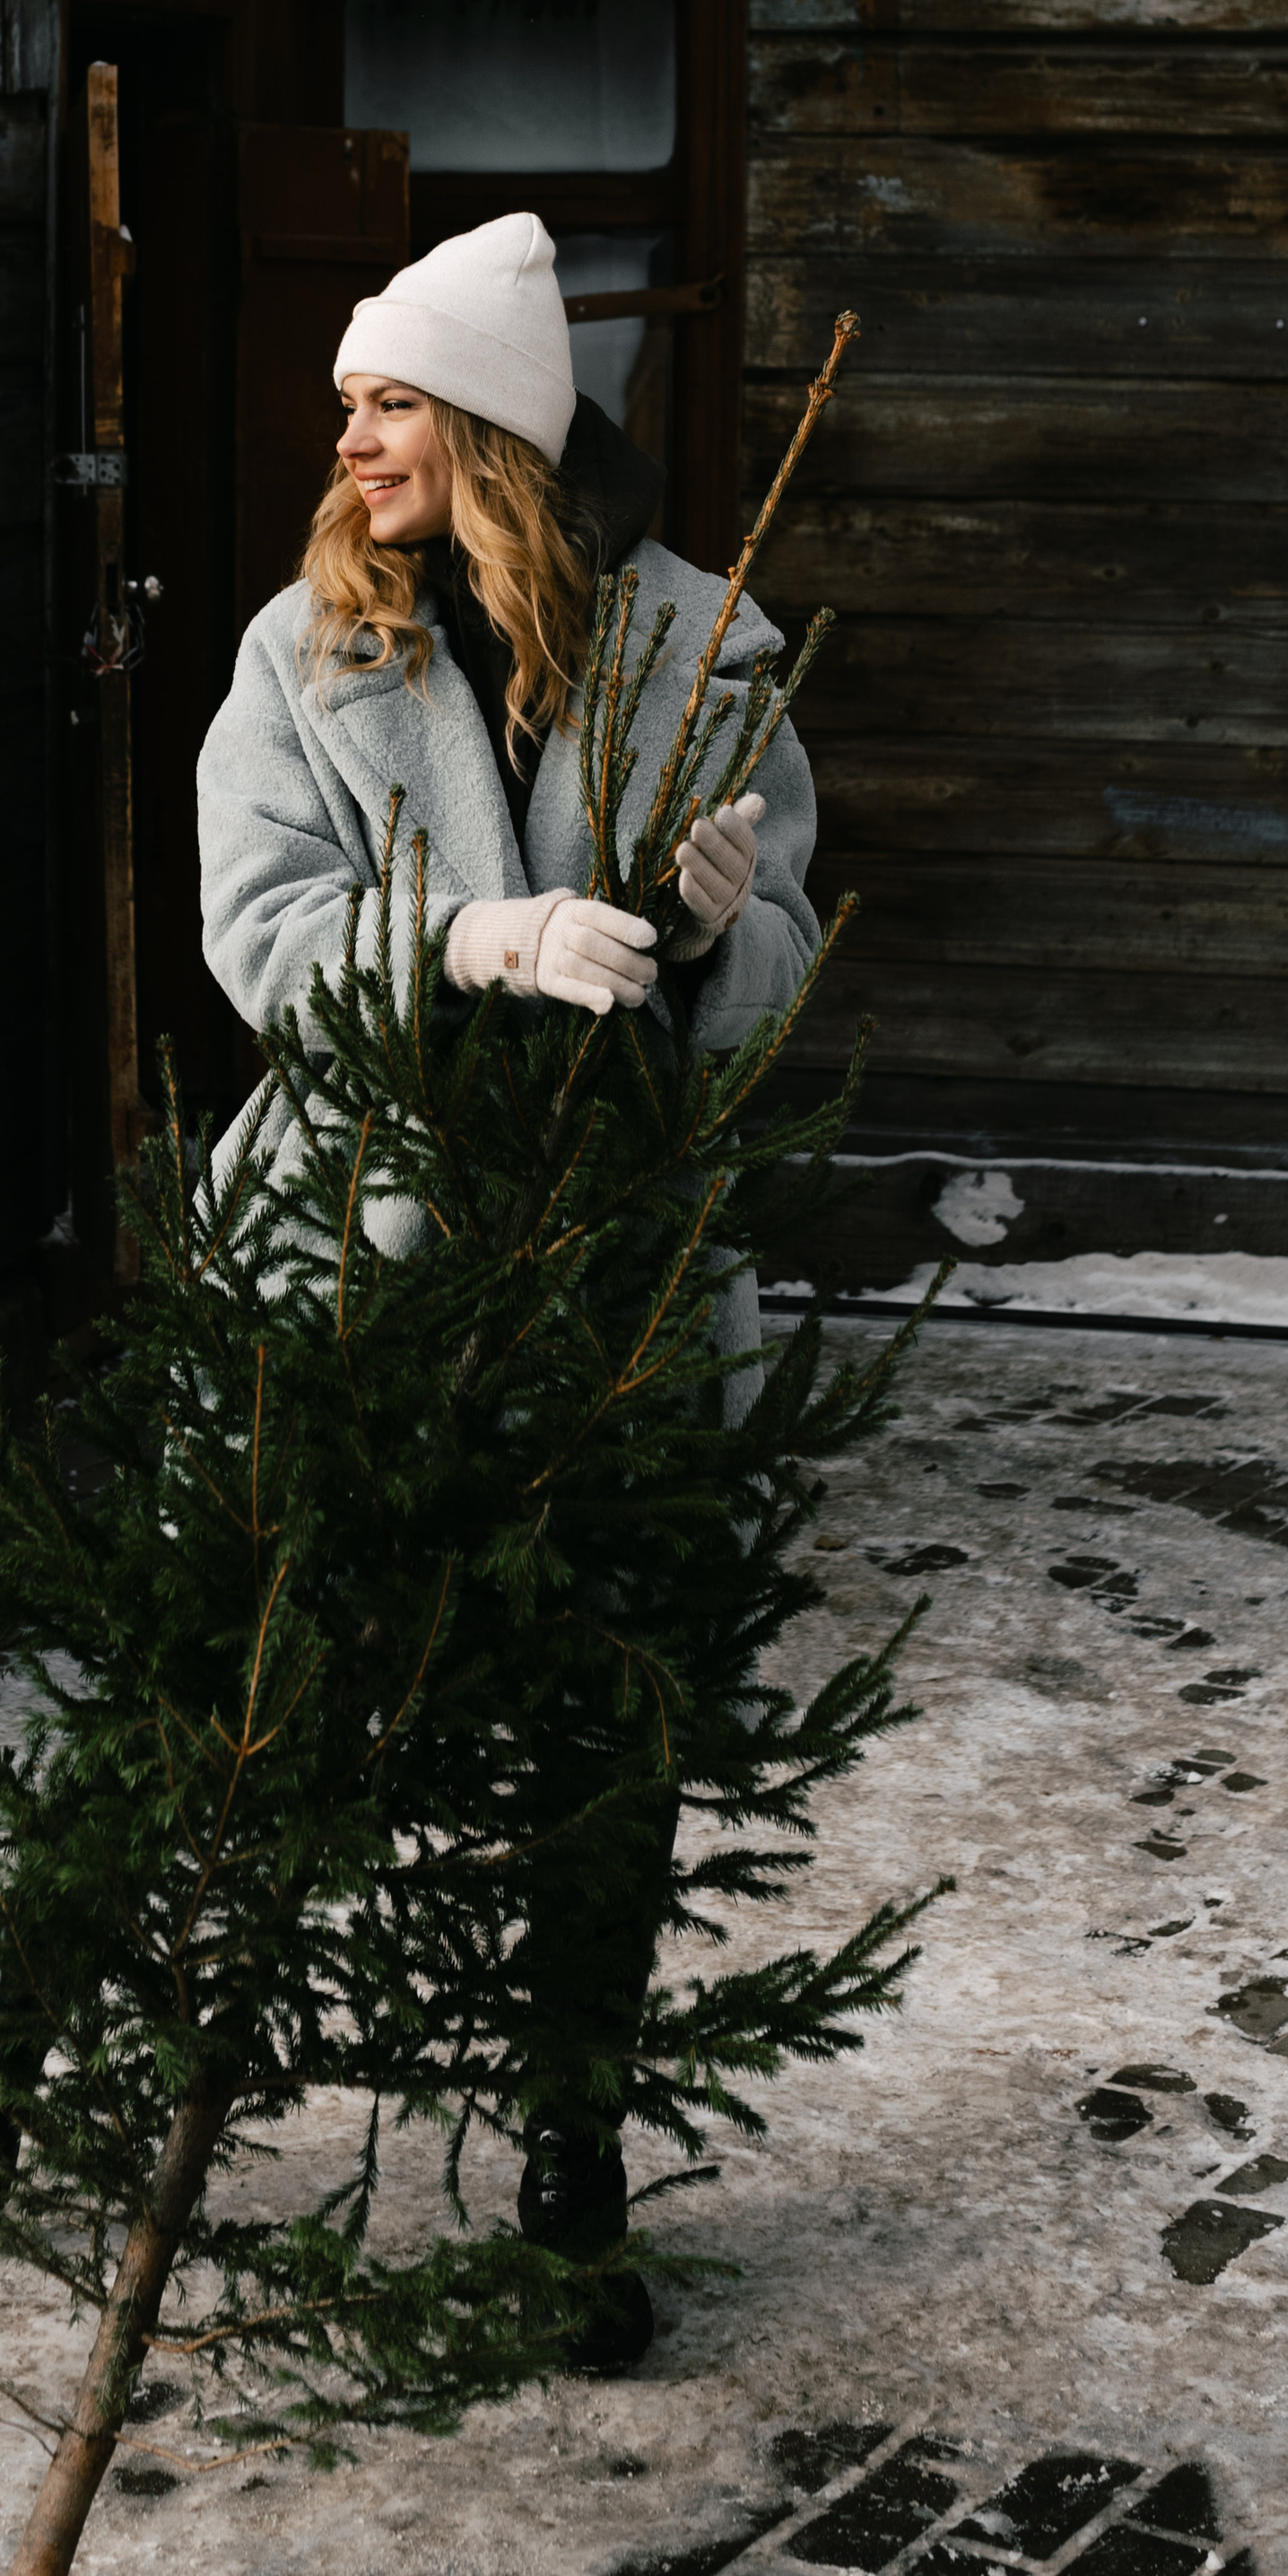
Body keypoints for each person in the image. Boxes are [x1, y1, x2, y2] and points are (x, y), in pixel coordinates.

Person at [196, 210, 823, 2366]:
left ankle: (570, 2176)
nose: (347, 438)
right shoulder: (302, 653)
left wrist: (723, 932)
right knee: (246, 1700)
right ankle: (18, 2036)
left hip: (605, 1289)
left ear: (488, 429)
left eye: (387, 401)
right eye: (346, 402)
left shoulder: (703, 649)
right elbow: (258, 938)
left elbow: (781, 963)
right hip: (356, 1275)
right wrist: (471, 941)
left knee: (595, 1743)